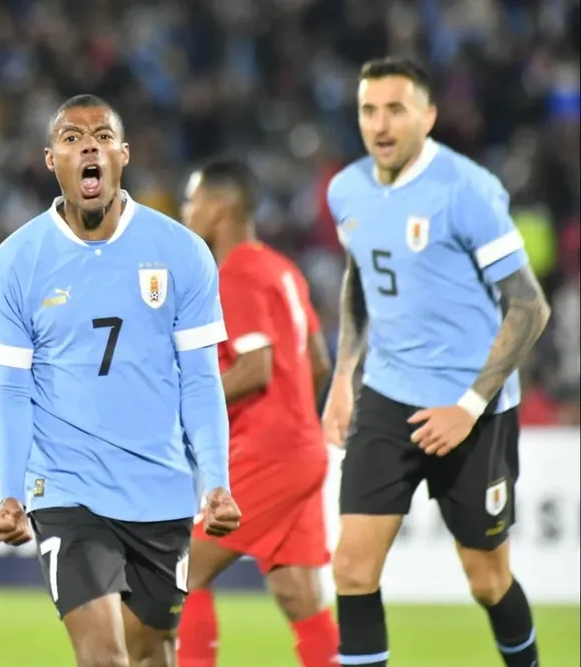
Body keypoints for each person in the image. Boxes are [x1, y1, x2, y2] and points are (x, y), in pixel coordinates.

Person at [0, 94, 243, 667]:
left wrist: (216, 481)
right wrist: (11, 492)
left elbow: (200, 379)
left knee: (151, 652)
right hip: (67, 489)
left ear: (123, 155)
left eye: (101, 136)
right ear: (52, 160)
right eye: (71, 138)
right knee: (103, 655)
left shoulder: (182, 253)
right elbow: (10, 389)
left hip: (161, 491)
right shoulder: (15, 262)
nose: (88, 145)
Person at [324, 57, 550, 667]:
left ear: (428, 116)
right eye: (370, 110)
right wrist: (344, 377)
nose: (381, 123)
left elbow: (530, 308)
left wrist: (468, 407)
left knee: (487, 580)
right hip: (388, 395)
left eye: (396, 109)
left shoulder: (466, 190)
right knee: (351, 567)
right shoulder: (346, 190)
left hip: (473, 408)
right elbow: (360, 278)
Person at [177, 158, 339, 667]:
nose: (186, 211)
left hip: (269, 451)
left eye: (192, 200)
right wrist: (294, 425)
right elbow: (317, 363)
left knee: (179, 571)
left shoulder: (235, 273)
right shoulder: (281, 268)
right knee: (298, 594)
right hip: (303, 449)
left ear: (220, 208)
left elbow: (255, 369)